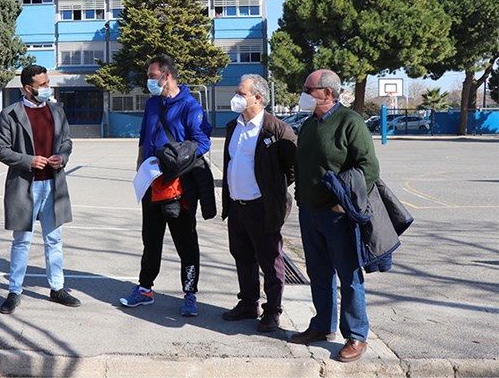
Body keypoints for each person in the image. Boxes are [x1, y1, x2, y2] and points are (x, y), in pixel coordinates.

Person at [289, 69, 379, 363]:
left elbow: (369, 168)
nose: (303, 94)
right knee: (318, 273)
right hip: (310, 213)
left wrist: (345, 203)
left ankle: (356, 335)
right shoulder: (309, 124)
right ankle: (322, 325)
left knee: (348, 276)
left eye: (308, 89)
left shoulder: (350, 122)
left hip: (339, 216)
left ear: (327, 93)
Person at [120, 54, 214, 317]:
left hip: (179, 187)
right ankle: (145, 289)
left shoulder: (190, 106)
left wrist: (178, 157)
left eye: (152, 76)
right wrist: (140, 164)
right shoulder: (152, 103)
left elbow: (202, 142)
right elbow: (144, 136)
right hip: (151, 183)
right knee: (151, 240)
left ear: (167, 75)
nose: (149, 81)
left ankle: (190, 293)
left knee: (186, 243)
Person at [0, 64, 81, 314]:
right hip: (25, 186)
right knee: (22, 241)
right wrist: (28, 161)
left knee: (54, 239)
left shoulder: (56, 110)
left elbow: (67, 142)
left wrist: (62, 157)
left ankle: (57, 288)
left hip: (54, 184)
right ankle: (14, 291)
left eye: (47, 83)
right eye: (42, 85)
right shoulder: (10, 114)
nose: (47, 88)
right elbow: (1, 150)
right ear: (27, 88)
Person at [221, 74, 296, 333]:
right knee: (242, 257)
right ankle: (248, 303)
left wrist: (273, 191)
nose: (236, 97)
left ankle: (272, 310)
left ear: (258, 97)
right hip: (237, 205)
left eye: (241, 94)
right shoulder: (233, 126)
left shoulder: (276, 130)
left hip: (262, 208)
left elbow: (292, 167)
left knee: (270, 261)